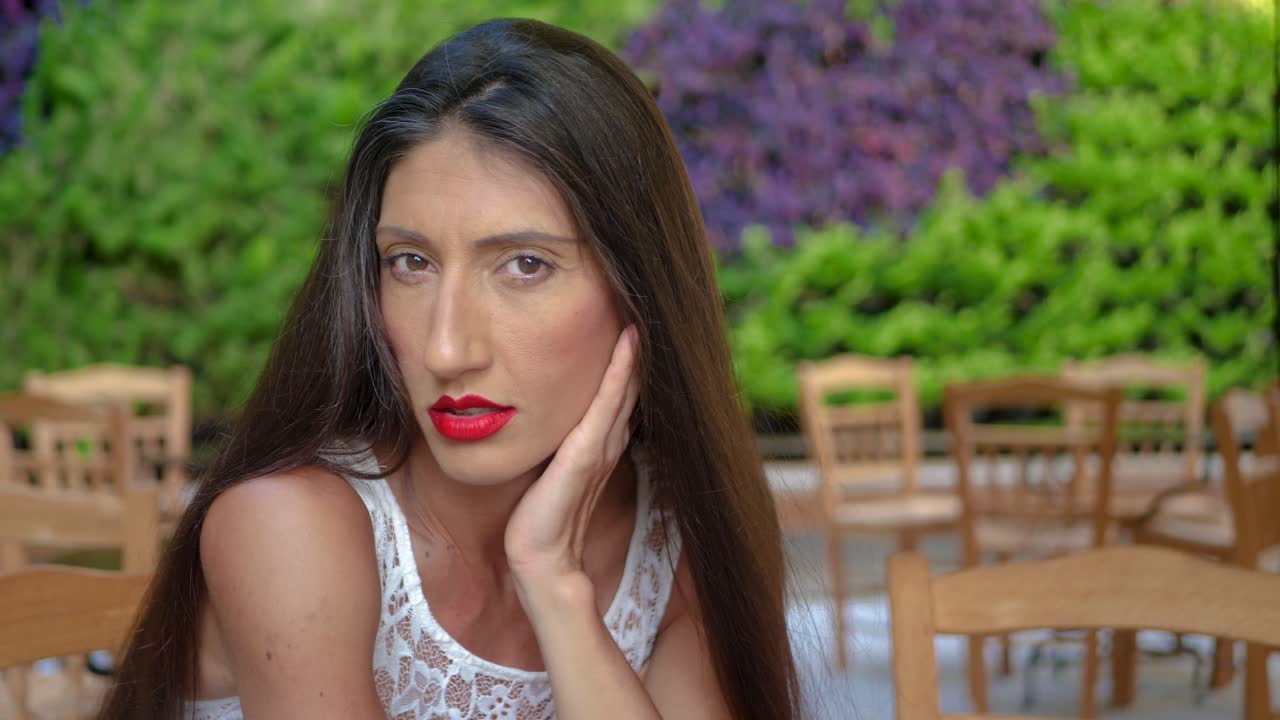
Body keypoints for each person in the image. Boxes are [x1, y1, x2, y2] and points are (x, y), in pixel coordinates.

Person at [100, 18, 800, 720]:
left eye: (525, 265)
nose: (446, 348)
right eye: (411, 262)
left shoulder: (682, 526)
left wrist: (553, 583)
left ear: (641, 288)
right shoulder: (287, 525)